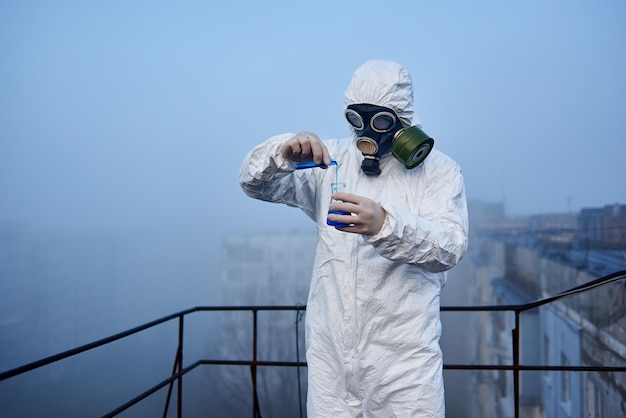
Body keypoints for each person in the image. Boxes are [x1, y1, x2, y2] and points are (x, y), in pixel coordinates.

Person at [239, 59, 469, 417]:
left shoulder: (438, 171)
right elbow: (254, 184)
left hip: (404, 370)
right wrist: (282, 153)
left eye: (381, 120)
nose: (368, 130)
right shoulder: (329, 163)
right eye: (357, 119)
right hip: (331, 365)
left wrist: (384, 223)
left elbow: (450, 246)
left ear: (403, 121)